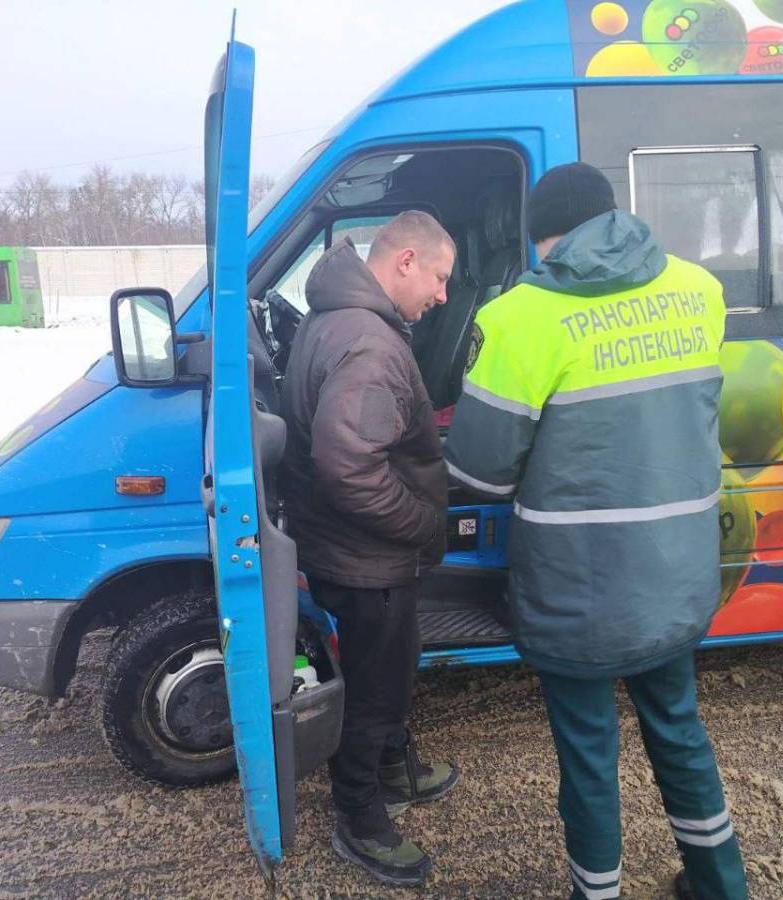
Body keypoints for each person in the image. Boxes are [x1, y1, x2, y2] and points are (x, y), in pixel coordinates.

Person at [444, 163, 748, 900]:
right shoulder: (698, 291)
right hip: (675, 574)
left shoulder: (521, 317)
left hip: (578, 586)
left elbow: (482, 475)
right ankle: (720, 884)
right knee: (678, 730)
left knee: (588, 755)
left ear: (541, 236)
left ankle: (598, 893)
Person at [280, 210, 461, 887]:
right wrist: (421, 523)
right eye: (440, 278)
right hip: (369, 555)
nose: (442, 296)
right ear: (405, 262)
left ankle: (389, 765)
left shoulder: (343, 317)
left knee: (393, 663)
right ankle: (360, 819)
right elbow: (351, 465)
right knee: (376, 689)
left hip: (349, 546)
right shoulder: (370, 344)